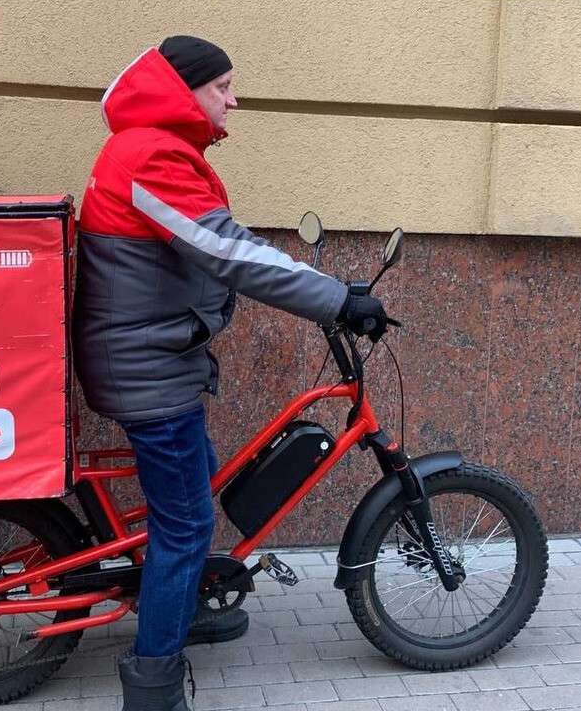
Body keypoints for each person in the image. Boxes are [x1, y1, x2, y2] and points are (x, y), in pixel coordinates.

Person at [73, 36, 388, 710]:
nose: (233, 100)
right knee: (185, 525)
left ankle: (183, 601)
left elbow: (219, 240)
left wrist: (325, 290)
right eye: (222, 87)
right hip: (146, 371)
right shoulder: (150, 155)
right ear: (183, 91)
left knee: (199, 484)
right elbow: (228, 251)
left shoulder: (154, 149)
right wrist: (337, 299)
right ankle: (154, 685)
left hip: (151, 359)